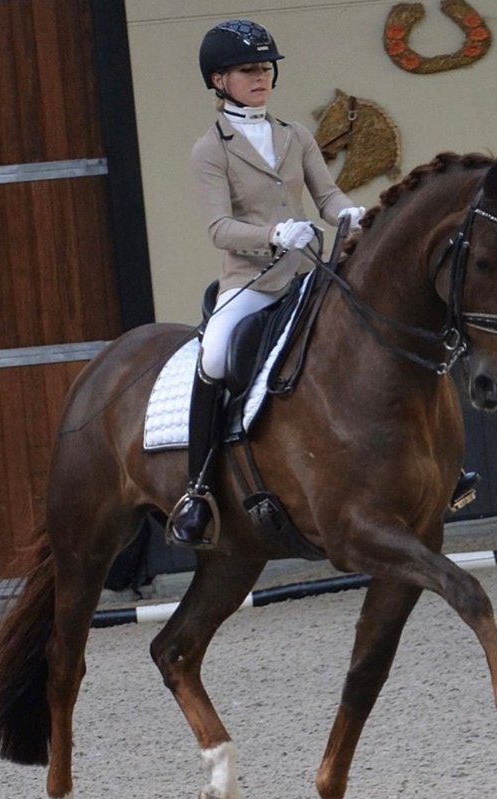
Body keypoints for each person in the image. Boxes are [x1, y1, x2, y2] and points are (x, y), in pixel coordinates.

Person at [166, 19, 366, 546]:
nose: (261, 77)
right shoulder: (209, 149)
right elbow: (218, 228)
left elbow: (328, 198)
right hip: (251, 281)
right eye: (248, 70)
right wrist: (274, 233)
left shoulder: (295, 134)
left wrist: (355, 214)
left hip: (307, 274)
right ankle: (199, 488)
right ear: (218, 81)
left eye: (265, 68)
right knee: (212, 356)